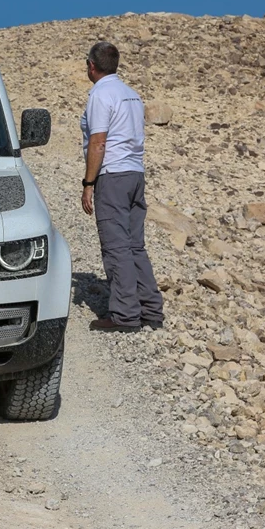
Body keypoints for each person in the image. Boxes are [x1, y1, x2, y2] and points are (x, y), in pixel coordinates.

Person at [80, 41, 164, 332]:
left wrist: (89, 183)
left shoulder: (101, 95)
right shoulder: (131, 94)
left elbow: (98, 141)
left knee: (116, 248)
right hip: (135, 174)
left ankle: (125, 316)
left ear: (92, 65)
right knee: (134, 246)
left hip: (112, 176)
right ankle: (151, 309)